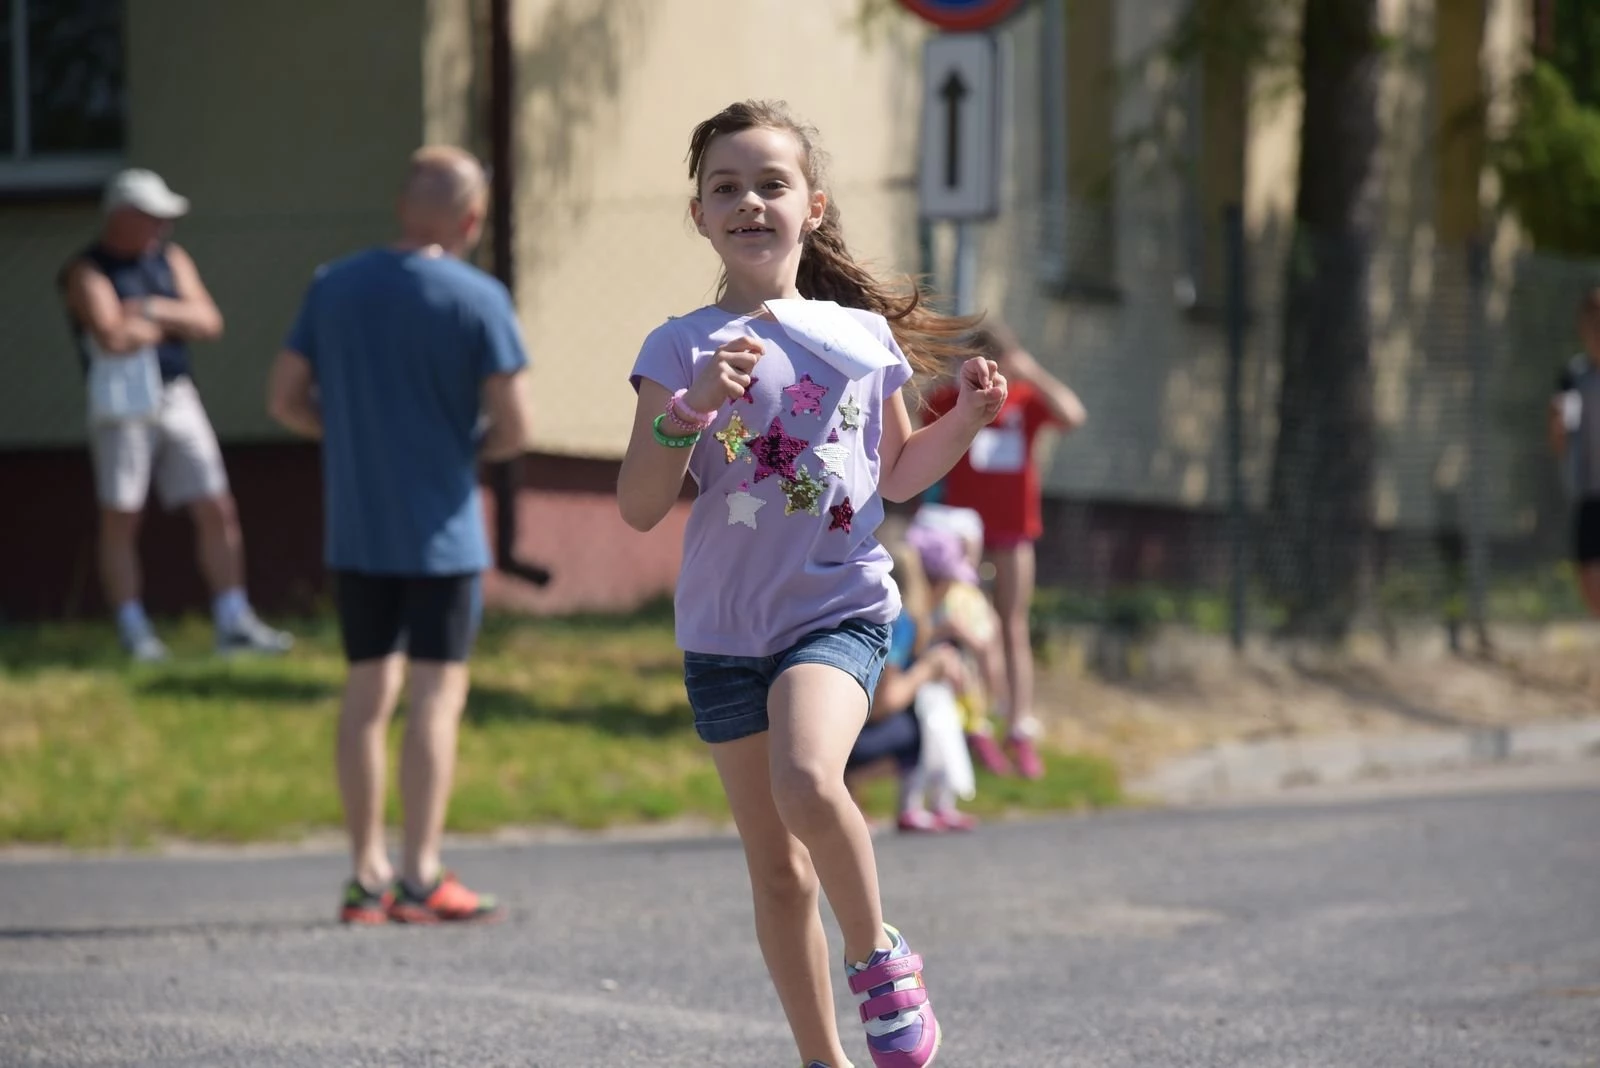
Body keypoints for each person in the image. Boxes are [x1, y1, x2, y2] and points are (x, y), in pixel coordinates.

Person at [617, 100, 1006, 1068]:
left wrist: (962, 421)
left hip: (836, 610)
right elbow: (638, 504)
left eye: (771, 184)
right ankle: (821, 1060)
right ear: (699, 215)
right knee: (778, 872)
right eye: (725, 188)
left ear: (813, 207)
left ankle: (878, 956)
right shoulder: (679, 346)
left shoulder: (860, 336)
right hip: (722, 633)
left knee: (806, 779)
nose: (749, 202)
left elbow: (895, 473)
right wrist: (691, 408)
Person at [266, 146, 532, 925]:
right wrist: (462, 447)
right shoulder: (479, 298)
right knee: (436, 699)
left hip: (358, 530)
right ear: (471, 220)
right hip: (443, 535)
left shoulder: (333, 285)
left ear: (402, 205)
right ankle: (420, 874)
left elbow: (284, 399)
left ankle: (364, 876)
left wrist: (349, 433)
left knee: (366, 695)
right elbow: (516, 426)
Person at [59, 168, 293, 662]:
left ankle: (233, 621)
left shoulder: (170, 258)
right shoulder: (86, 271)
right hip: (120, 404)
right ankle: (133, 631)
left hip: (176, 394)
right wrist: (167, 318)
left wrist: (146, 310)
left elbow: (207, 321)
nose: (163, 227)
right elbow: (112, 336)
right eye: (153, 217)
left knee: (216, 505)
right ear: (122, 216)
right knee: (123, 515)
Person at [924, 321, 1086, 779]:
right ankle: (974, 724)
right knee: (968, 628)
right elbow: (917, 417)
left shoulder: (1022, 401)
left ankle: (1019, 728)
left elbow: (1073, 416)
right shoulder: (952, 401)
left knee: (1012, 627)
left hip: (1014, 530)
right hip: (965, 533)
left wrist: (1031, 372)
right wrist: (949, 373)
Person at [846, 539, 979, 834]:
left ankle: (864, 799)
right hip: (853, 740)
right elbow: (883, 703)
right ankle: (853, 788)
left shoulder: (861, 614)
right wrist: (926, 671)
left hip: (831, 728)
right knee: (922, 725)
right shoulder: (899, 622)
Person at [1549, 285, 1600, 618]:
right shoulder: (1573, 376)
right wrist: (1557, 429)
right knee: (1588, 579)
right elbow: (1560, 437)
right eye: (1592, 322)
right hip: (1589, 491)